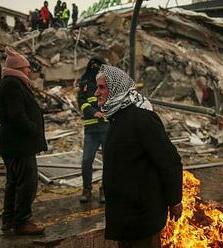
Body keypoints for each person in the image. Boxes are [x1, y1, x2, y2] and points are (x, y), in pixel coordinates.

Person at [95, 65, 183, 247]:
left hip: (142, 217)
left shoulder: (142, 118)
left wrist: (174, 200)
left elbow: (170, 161)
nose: (96, 93)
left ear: (116, 88)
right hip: (124, 217)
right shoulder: (116, 117)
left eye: (102, 87)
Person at [0, 47, 48, 235]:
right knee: (27, 183)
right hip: (19, 144)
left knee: (14, 182)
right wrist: (33, 130)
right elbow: (17, 116)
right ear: (18, 68)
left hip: (15, 143)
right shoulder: (12, 85)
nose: (29, 71)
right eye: (26, 67)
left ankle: (9, 221)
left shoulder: (11, 83)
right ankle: (22, 222)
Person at [77, 57, 108, 203]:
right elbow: (81, 102)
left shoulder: (108, 83)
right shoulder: (84, 83)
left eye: (98, 66)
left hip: (107, 128)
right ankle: (86, 190)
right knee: (87, 160)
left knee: (108, 162)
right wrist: (93, 112)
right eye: (93, 66)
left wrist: (106, 112)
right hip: (91, 129)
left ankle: (104, 190)